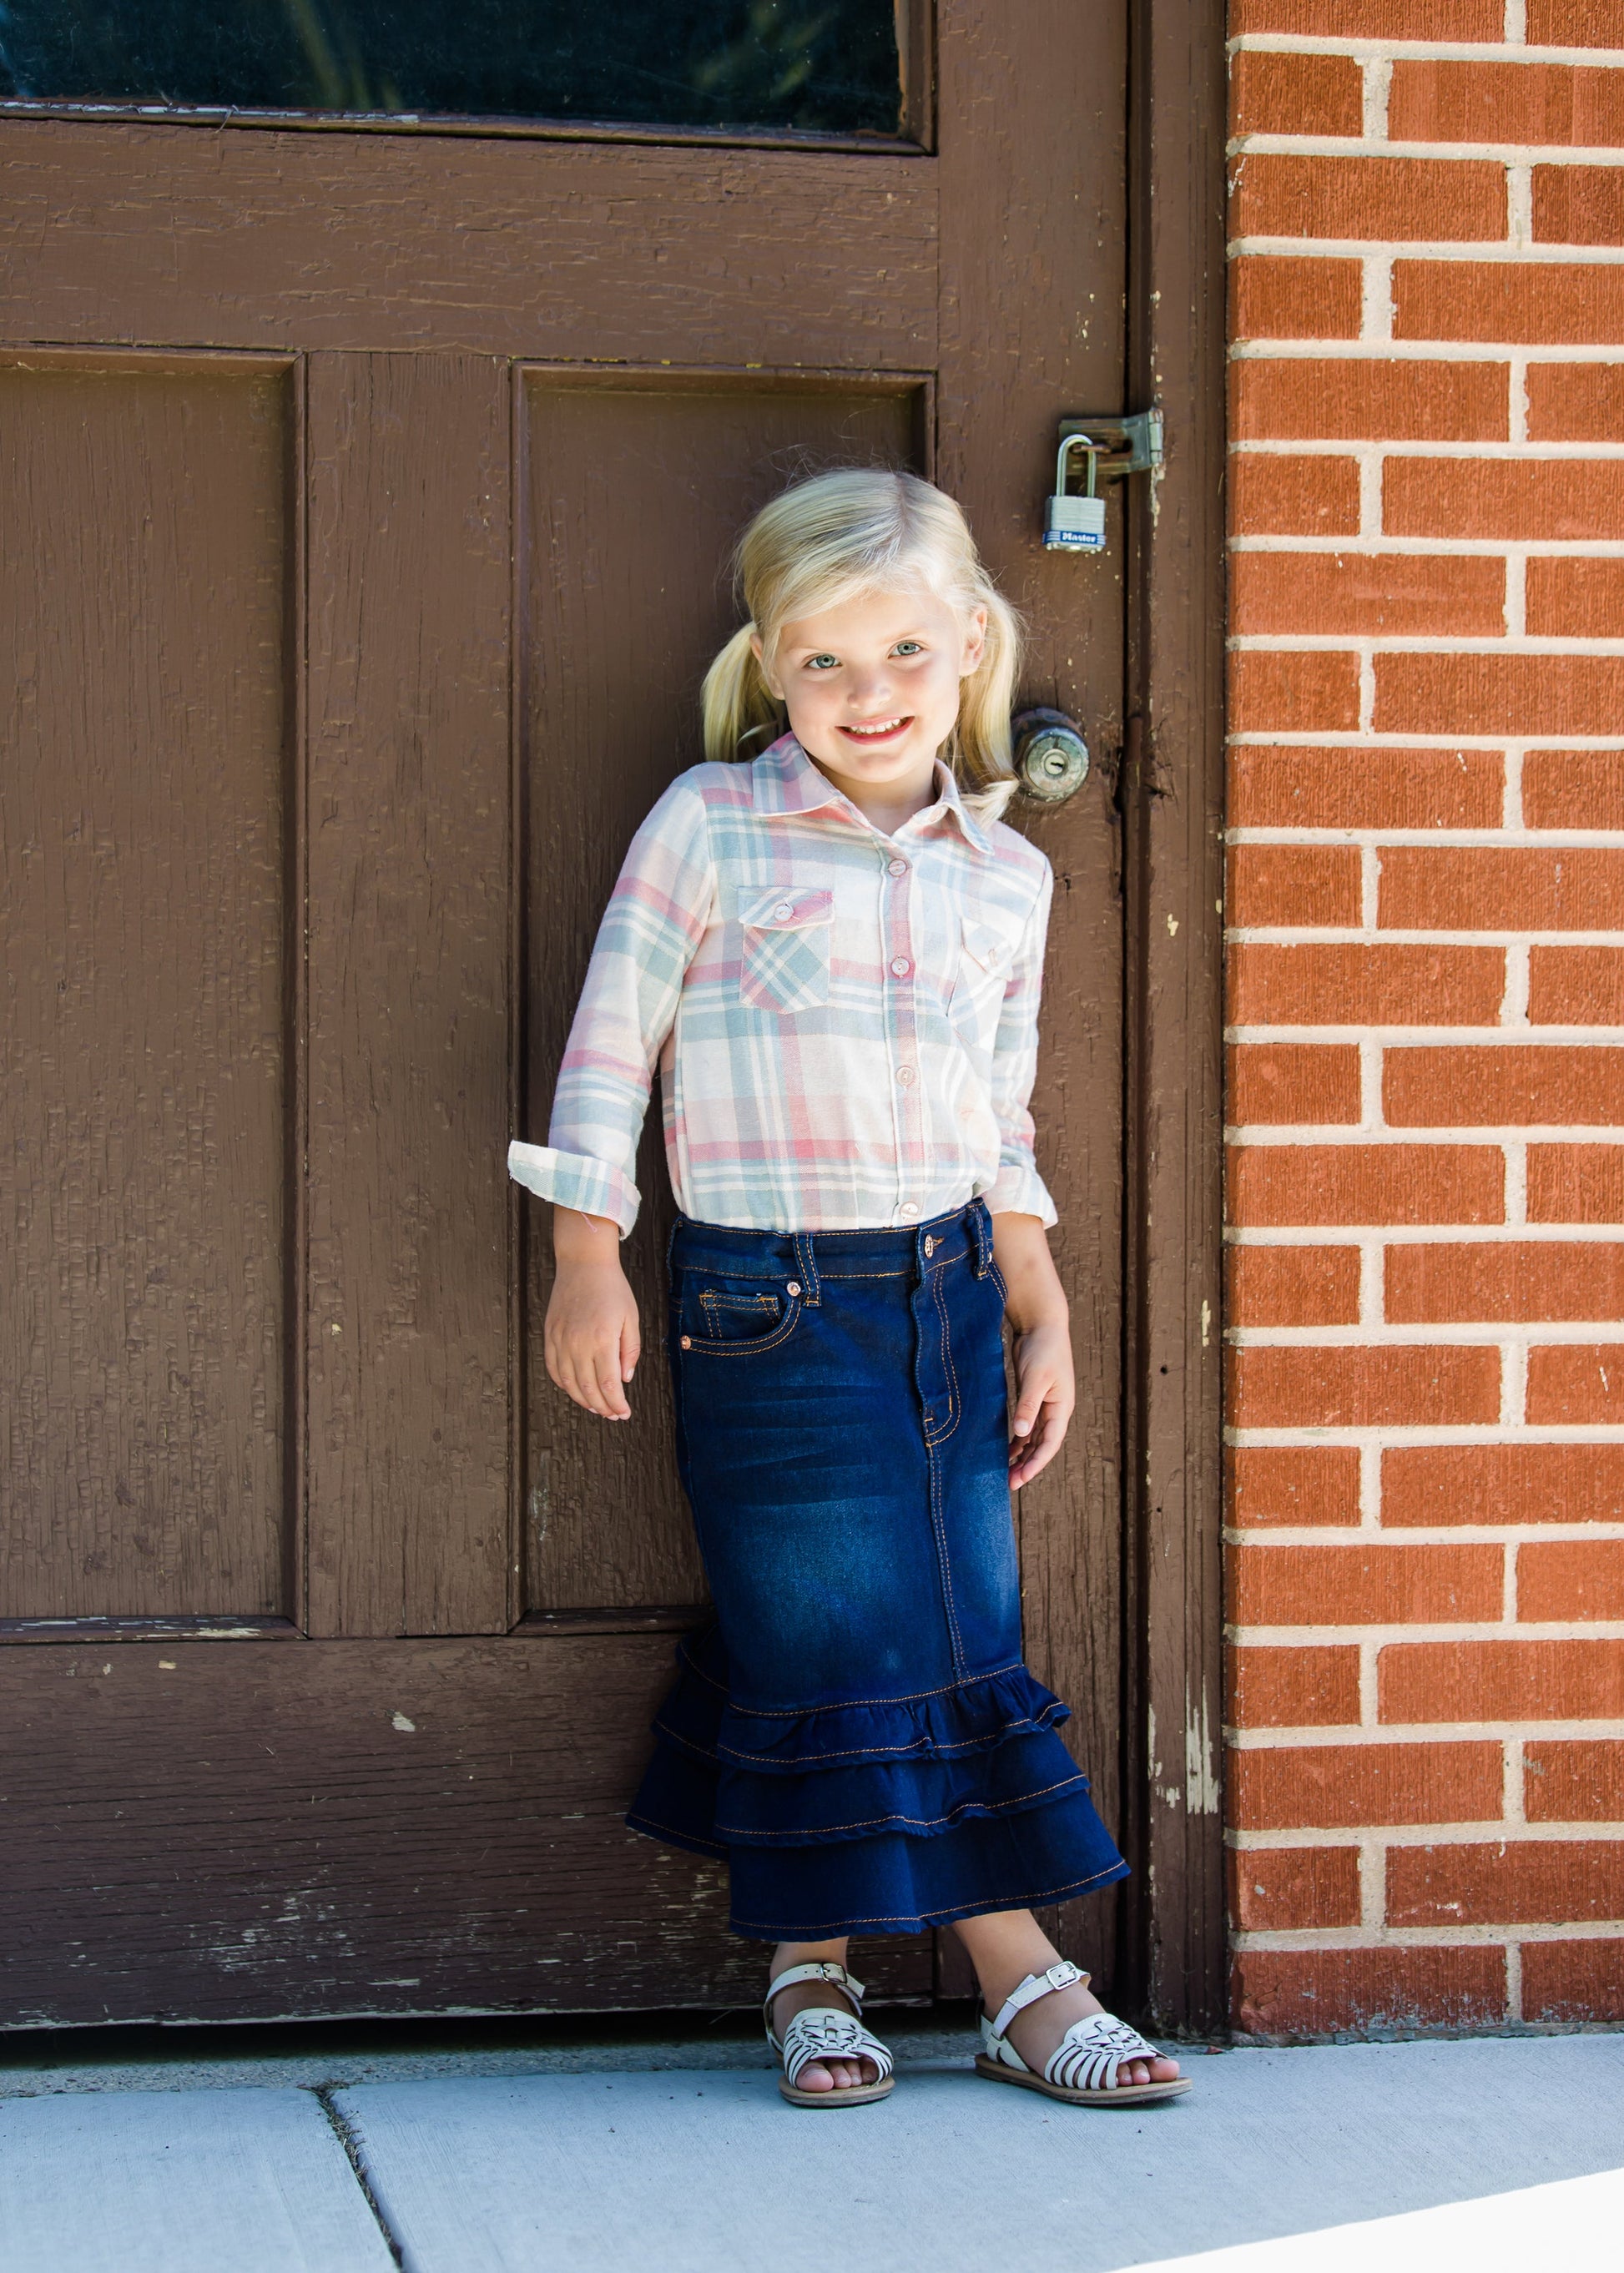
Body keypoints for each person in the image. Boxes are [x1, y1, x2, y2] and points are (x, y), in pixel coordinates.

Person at [509, 468, 1188, 2111]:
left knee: (937, 1621)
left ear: (966, 645)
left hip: (950, 1289)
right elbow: (610, 1043)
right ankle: (1016, 1972)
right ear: (768, 664)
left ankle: (806, 1964)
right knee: (839, 1628)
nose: (866, 695)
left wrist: (1046, 1302)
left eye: (900, 653)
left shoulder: (999, 878)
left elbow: (997, 1113)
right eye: (822, 662)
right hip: (768, 1303)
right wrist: (583, 1253)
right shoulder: (713, 822)